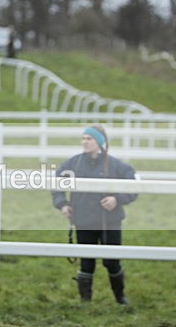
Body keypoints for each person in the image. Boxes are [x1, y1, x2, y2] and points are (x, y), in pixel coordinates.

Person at [51, 125, 138, 305]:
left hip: (110, 222)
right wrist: (63, 204)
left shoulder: (116, 165)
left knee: (111, 261)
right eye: (83, 138)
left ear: (99, 142)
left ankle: (120, 297)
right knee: (86, 262)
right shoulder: (73, 164)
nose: (84, 142)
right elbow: (56, 184)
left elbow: (134, 185)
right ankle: (85, 302)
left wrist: (117, 199)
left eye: (89, 139)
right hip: (83, 221)